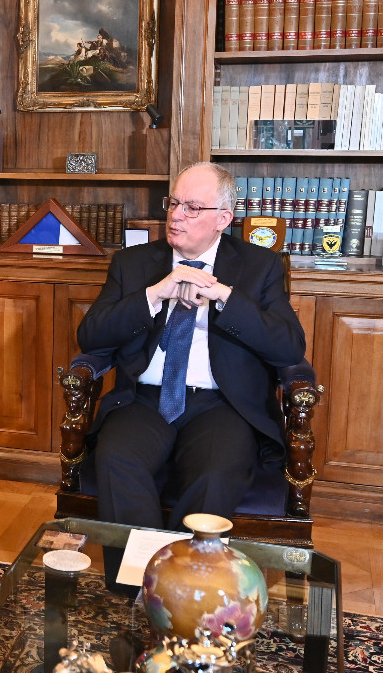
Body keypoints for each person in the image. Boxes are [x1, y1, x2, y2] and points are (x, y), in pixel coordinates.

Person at [76, 162, 305, 576]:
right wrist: (153, 295)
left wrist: (224, 296)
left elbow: (288, 346)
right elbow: (91, 336)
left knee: (214, 474)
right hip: (143, 400)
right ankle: (139, 587)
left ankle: (186, 588)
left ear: (223, 219)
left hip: (222, 405)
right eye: (173, 203)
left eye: (192, 207)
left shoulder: (259, 266)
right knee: (117, 460)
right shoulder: (133, 263)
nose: (176, 215)